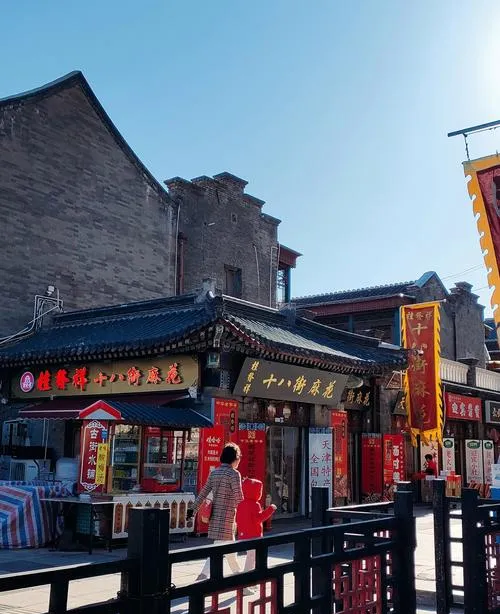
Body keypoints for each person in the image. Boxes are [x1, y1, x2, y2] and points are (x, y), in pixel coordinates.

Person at [188, 442, 244, 581]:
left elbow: (203, 493)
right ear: (235, 458)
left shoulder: (214, 473)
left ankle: (242, 582)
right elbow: (239, 497)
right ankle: (203, 576)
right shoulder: (234, 474)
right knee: (220, 548)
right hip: (228, 517)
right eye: (239, 457)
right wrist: (247, 515)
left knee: (228, 551)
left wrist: (192, 510)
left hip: (215, 517)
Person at [236, 478, 276, 572]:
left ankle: (250, 574)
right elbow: (259, 519)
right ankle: (247, 575)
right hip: (254, 535)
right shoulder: (255, 505)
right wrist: (270, 509)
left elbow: (237, 519)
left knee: (251, 556)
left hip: (242, 535)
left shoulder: (241, 504)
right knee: (252, 556)